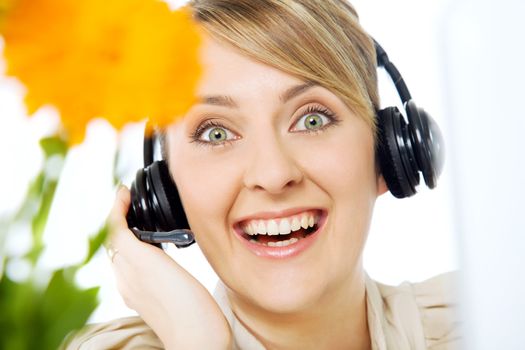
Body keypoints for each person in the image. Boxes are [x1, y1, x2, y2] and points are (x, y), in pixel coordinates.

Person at [62, 0, 460, 349]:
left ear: (390, 153)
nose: (273, 175)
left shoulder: (494, 320)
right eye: (216, 133)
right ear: (167, 194)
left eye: (312, 119)